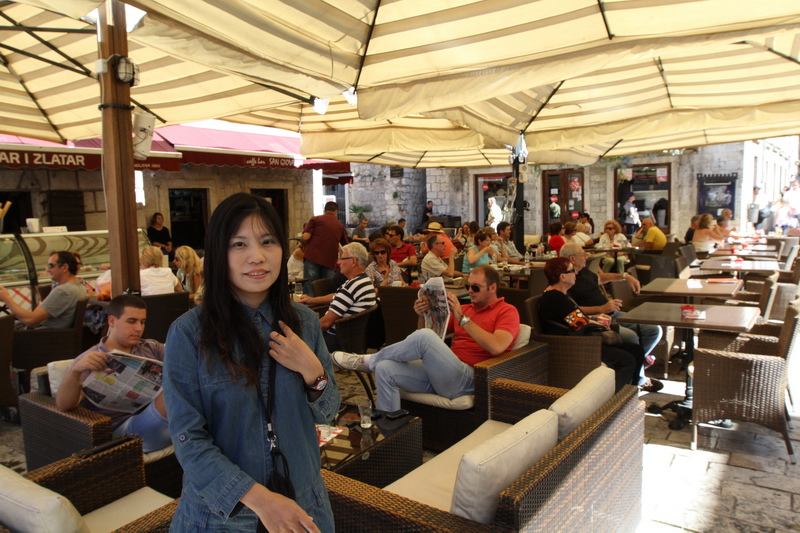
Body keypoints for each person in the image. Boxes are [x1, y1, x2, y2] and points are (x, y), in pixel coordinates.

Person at [164, 192, 339, 532]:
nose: (257, 257)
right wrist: (260, 499)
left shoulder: (304, 322)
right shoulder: (189, 334)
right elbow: (188, 439)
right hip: (222, 518)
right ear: (218, 253)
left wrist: (313, 372)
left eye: (267, 241)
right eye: (239, 244)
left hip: (304, 504)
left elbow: (328, 413)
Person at [332, 264, 519, 412]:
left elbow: (496, 346)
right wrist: (423, 315)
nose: (470, 291)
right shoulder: (466, 309)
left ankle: (368, 360)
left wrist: (463, 319)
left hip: (471, 379)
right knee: (385, 368)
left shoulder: (507, 312)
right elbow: (430, 338)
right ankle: (392, 433)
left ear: (493, 288)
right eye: (468, 286)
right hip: (444, 373)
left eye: (475, 287)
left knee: (422, 339)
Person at [56, 294, 171, 453]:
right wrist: (75, 371)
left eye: (142, 322)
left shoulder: (152, 348)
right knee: (171, 394)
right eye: (131, 321)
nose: (139, 328)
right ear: (112, 321)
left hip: (161, 419)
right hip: (126, 432)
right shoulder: (91, 358)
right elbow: (63, 405)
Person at [560, 243, 663, 391]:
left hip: (608, 316)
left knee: (653, 331)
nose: (586, 257)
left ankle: (637, 370)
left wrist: (625, 276)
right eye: (583, 254)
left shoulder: (582, 273)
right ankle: (635, 381)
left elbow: (598, 279)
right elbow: (572, 315)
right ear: (572, 259)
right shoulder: (562, 287)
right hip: (593, 327)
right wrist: (600, 312)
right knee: (632, 340)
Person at [538, 257, 644, 392]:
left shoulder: (559, 295)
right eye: (572, 271)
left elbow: (574, 318)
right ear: (562, 277)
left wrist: (596, 318)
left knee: (636, 350)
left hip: (580, 339)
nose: (576, 273)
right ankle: (614, 398)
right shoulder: (555, 298)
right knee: (626, 360)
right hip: (575, 345)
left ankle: (630, 392)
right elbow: (578, 324)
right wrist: (600, 324)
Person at [0, 250, 86, 329]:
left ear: (64, 267)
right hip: (56, 335)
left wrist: (7, 299)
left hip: (40, 336)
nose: (47, 270)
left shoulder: (63, 291)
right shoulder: (80, 287)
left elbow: (29, 320)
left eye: (50, 266)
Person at [317, 242, 376, 352]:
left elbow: (325, 323)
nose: (339, 262)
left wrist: (306, 330)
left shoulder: (351, 286)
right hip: (352, 340)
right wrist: (312, 300)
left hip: (333, 341)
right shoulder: (366, 282)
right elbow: (340, 297)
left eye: (342, 258)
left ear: (353, 261)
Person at [301, 201, 349, 294]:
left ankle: (310, 302)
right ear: (336, 212)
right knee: (326, 288)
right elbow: (346, 245)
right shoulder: (339, 225)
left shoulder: (315, 219)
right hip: (329, 260)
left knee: (310, 288)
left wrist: (303, 243)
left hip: (313, 257)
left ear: (324, 210)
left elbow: (306, 237)